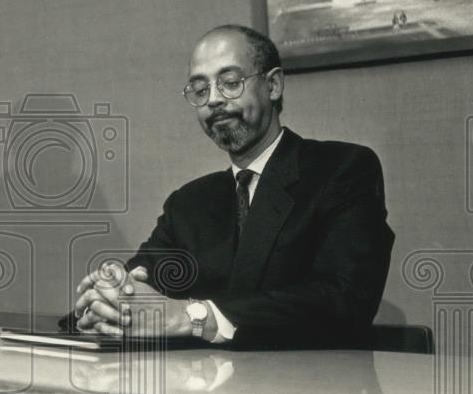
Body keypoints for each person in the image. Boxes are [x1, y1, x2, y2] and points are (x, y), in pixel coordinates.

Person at [69, 24, 393, 350]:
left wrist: (192, 316)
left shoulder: (341, 169)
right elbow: (139, 282)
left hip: (313, 389)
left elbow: (345, 298)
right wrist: (105, 302)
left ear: (273, 85)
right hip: (203, 391)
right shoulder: (189, 203)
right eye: (199, 89)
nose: (213, 100)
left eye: (230, 83)